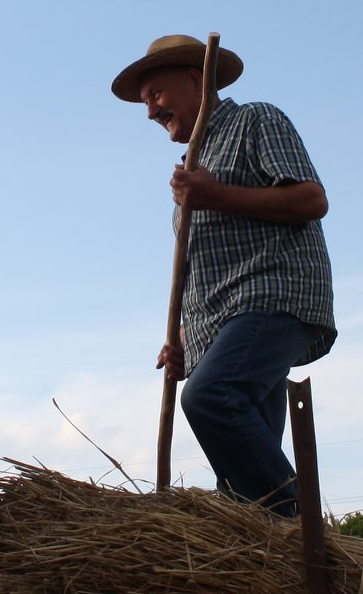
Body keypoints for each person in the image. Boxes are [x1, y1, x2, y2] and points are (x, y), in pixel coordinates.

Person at [113, 34, 335, 516]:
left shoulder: (256, 120)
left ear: (195, 81)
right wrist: (182, 338)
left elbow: (311, 201)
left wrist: (218, 196)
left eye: (155, 95)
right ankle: (268, 551)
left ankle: (300, 531)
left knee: (214, 395)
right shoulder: (193, 167)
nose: (149, 112)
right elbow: (196, 275)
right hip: (223, 324)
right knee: (243, 471)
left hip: (273, 296)